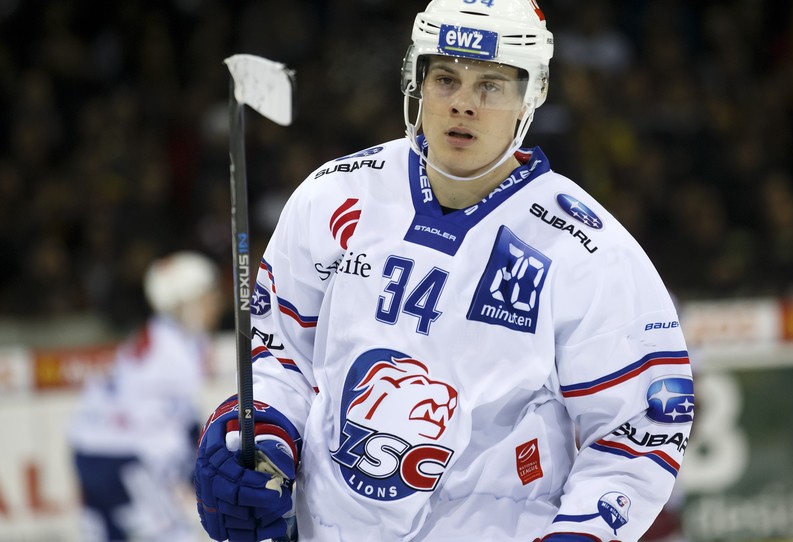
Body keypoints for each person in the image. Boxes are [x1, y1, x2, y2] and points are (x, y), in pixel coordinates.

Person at [194, 1, 694, 541]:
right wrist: (262, 436)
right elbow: (279, 351)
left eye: (490, 86)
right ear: (416, 81)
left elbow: (639, 430)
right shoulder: (335, 196)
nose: (463, 104)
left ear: (531, 95)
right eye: (445, 79)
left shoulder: (584, 249)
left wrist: (582, 533)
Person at [68, 251, 224, 541]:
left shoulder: (166, 336)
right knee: (175, 535)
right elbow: (172, 439)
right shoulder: (177, 353)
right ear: (184, 303)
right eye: (207, 294)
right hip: (123, 456)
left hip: (88, 448)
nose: (216, 301)